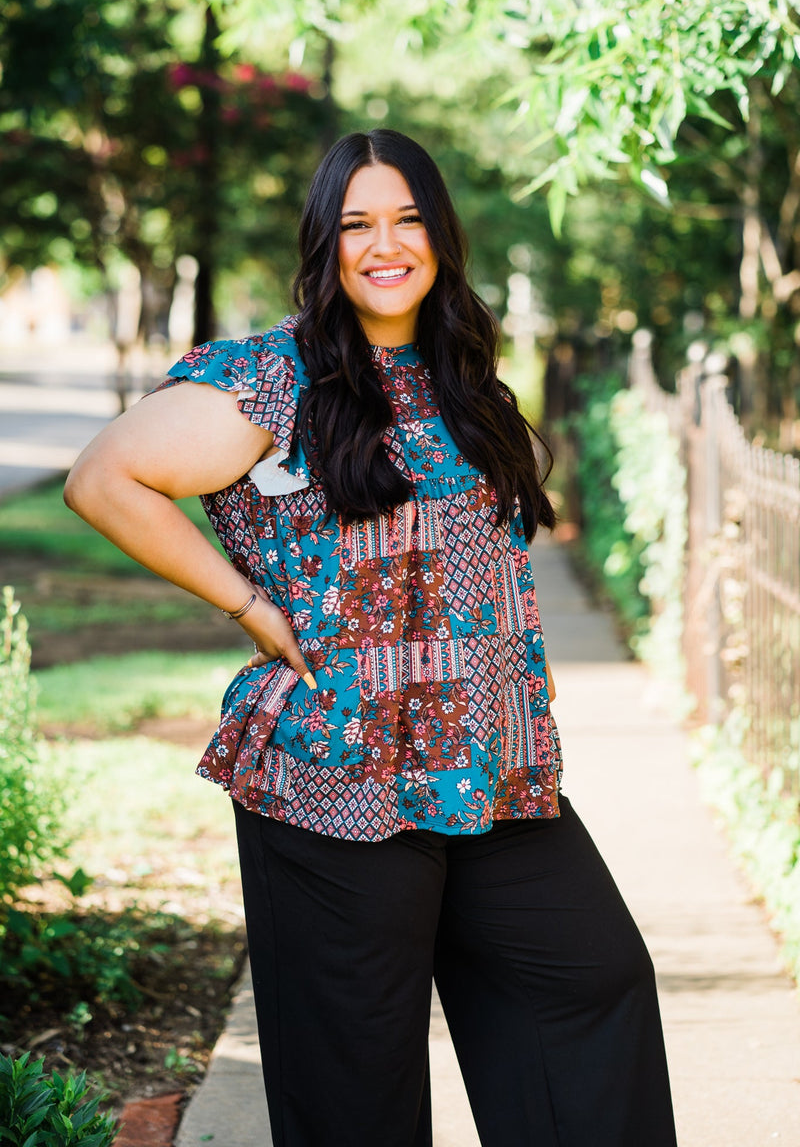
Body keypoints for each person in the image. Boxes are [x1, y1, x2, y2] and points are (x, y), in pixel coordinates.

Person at [65, 129, 677, 1147]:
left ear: (438, 234)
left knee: (588, 981)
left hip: (490, 770)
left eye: (406, 219)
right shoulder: (274, 377)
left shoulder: (462, 381)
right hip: (338, 771)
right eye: (356, 224)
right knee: (358, 1076)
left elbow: (482, 555)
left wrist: (522, 675)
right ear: (326, 244)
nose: (383, 244)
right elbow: (103, 480)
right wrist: (252, 610)